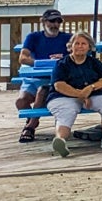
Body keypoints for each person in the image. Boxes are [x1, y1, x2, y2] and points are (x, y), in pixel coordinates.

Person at [46, 32, 102, 157]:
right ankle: (60, 140)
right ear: (71, 46)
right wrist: (81, 95)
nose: (80, 46)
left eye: (83, 44)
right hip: (64, 96)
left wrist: (91, 88)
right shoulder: (62, 64)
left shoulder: (94, 62)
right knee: (67, 110)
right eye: (77, 43)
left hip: (92, 94)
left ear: (89, 47)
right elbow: (59, 85)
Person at [15, 8, 70, 142]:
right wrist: (42, 63)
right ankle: (33, 119)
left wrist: (62, 61)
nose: (55, 24)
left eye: (58, 21)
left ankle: (30, 127)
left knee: (42, 92)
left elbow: (78, 57)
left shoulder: (68, 38)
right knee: (21, 102)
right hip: (34, 78)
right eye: (52, 21)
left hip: (56, 79)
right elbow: (22, 58)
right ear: (43, 22)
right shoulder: (33, 37)